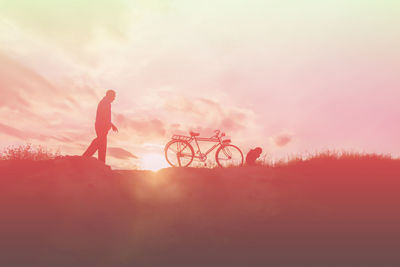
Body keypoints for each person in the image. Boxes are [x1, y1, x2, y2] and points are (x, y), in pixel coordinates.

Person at [82, 90, 118, 163]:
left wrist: (111, 125)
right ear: (109, 95)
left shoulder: (106, 102)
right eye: (113, 96)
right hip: (101, 126)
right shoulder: (105, 102)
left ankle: (99, 161)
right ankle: (85, 157)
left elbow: (106, 116)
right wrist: (108, 125)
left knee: (101, 143)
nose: (114, 99)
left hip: (102, 126)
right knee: (100, 142)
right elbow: (103, 116)